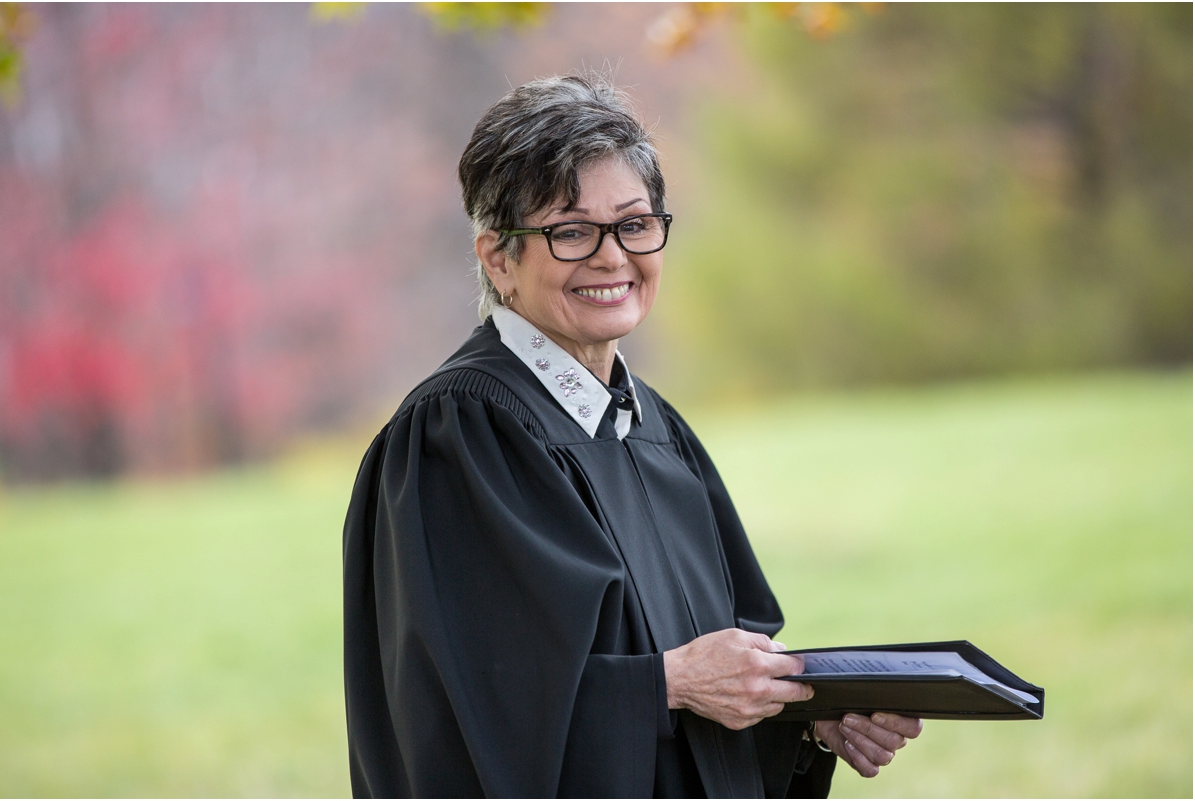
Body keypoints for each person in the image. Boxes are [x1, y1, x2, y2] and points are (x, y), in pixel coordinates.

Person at [343, 72, 921, 798]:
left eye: (635, 223)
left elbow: (720, 675)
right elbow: (468, 711)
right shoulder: (458, 435)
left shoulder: (655, 428)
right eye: (571, 231)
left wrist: (804, 718)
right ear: (498, 257)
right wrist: (668, 683)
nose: (613, 257)